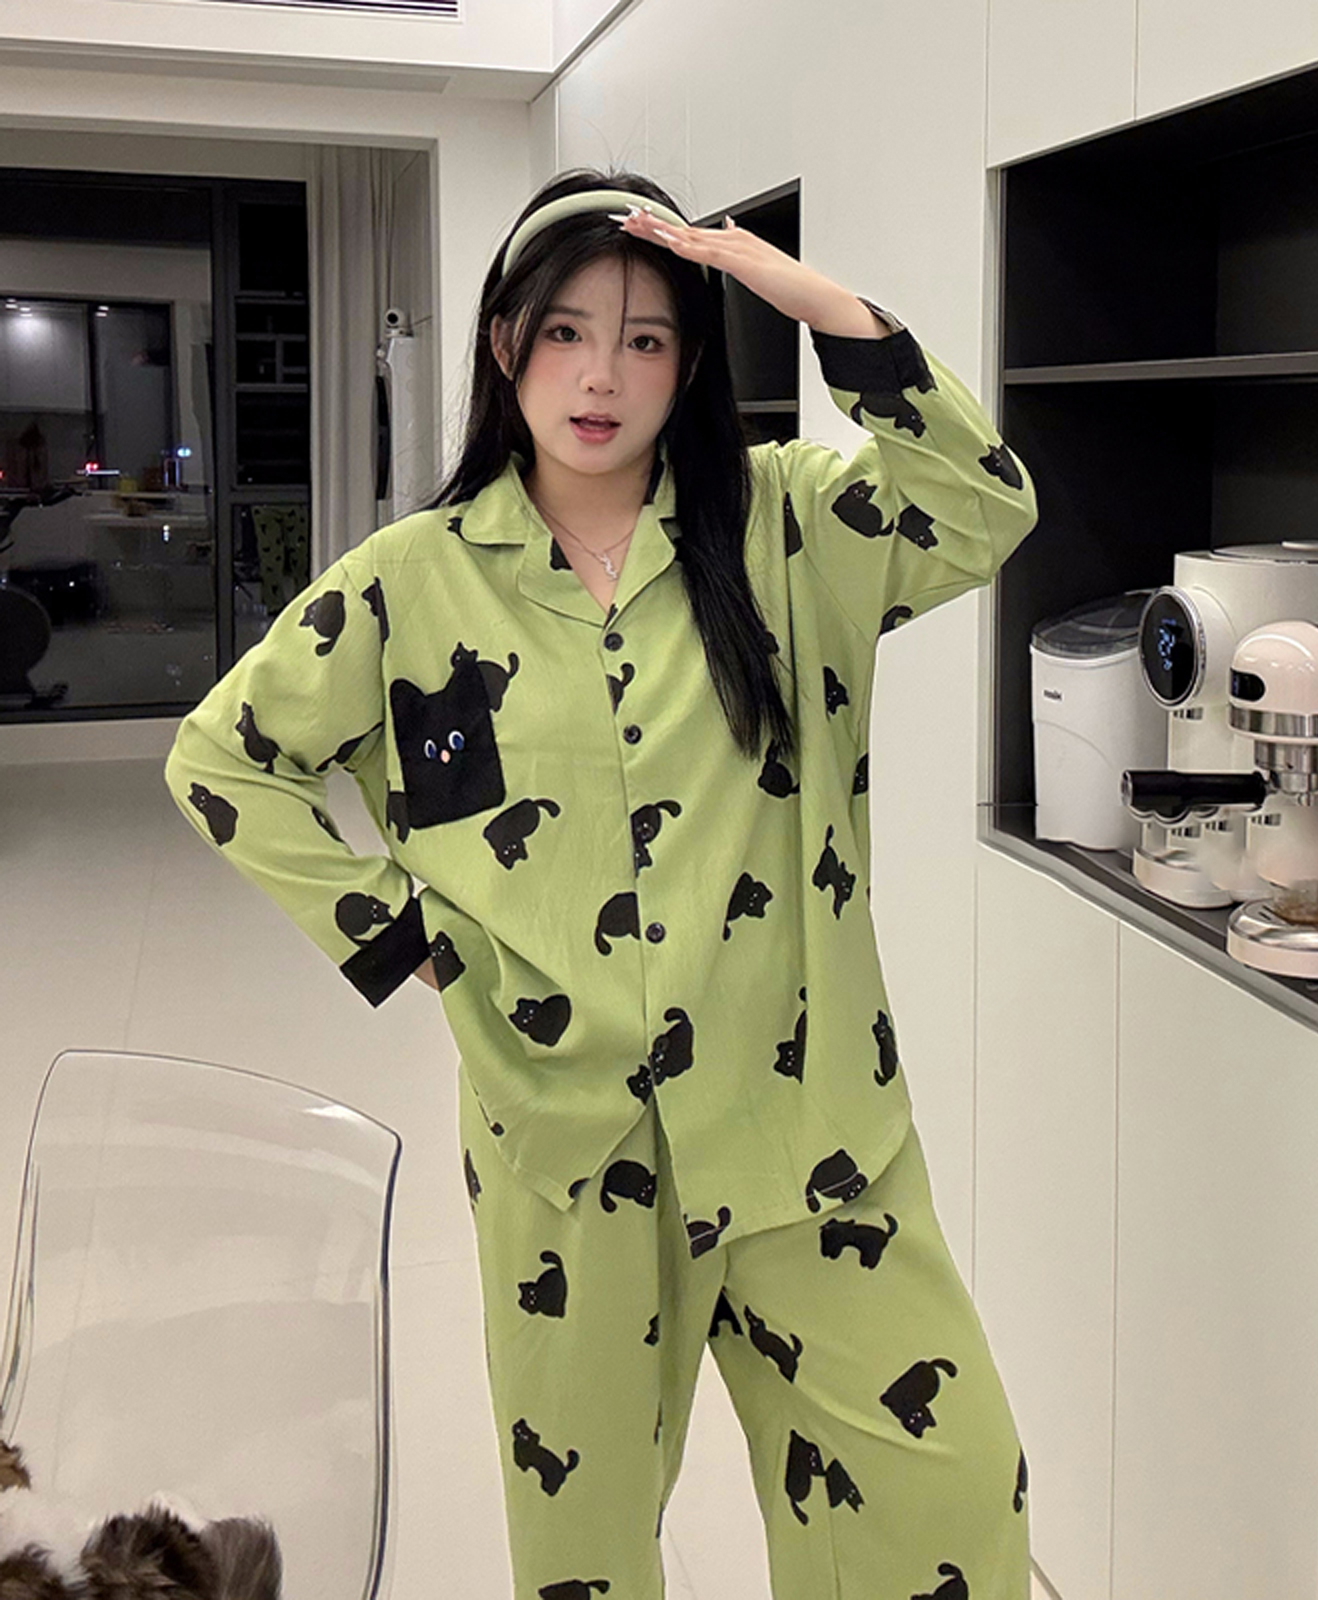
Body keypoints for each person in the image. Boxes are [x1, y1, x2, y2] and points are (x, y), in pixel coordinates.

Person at [164, 166, 1040, 1599]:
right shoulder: (409, 581)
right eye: (567, 332)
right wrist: (404, 938)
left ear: (688, 363)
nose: (601, 377)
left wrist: (809, 299)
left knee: (944, 1509)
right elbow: (224, 761)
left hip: (811, 1126)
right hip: (568, 1151)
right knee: (587, 1559)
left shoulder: (788, 527)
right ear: (505, 345)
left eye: (646, 339)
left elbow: (983, 503)